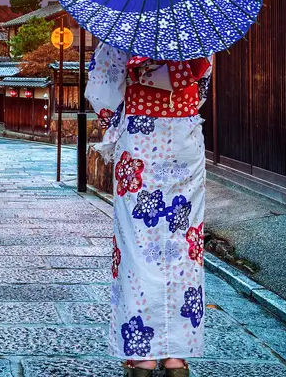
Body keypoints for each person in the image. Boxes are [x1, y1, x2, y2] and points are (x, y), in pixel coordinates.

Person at [86, 41, 213, 377]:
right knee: (184, 241)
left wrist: (119, 118)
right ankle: (176, 356)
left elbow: (101, 92)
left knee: (138, 243)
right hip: (184, 136)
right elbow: (200, 89)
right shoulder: (196, 26)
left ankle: (142, 357)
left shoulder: (124, 25)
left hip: (141, 137)